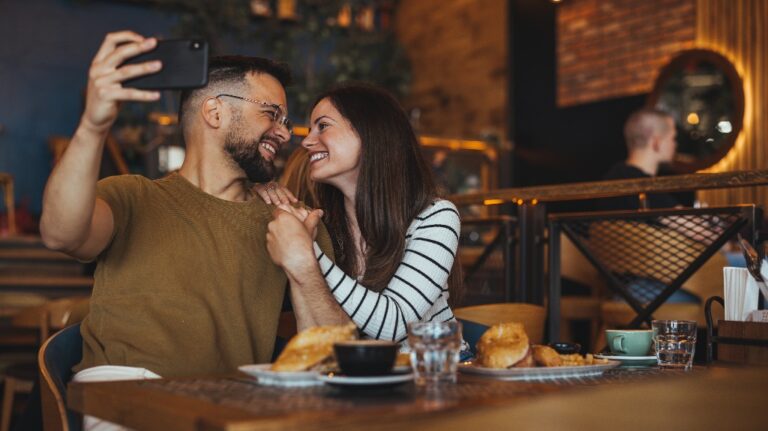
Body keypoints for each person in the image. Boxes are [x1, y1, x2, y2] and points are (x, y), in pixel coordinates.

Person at [39, 31, 338, 389]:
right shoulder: (133, 196)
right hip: (125, 392)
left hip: (227, 404)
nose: (284, 133)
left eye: (285, 121)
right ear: (214, 111)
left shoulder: (293, 222)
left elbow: (328, 359)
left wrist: (302, 260)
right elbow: (59, 234)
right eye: (271, 114)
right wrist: (94, 125)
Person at [262, 83, 465, 346]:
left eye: (323, 126)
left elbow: (395, 324)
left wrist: (307, 253)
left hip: (436, 375)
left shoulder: (436, 217)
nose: (308, 141)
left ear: (369, 133)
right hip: (365, 379)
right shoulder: (323, 222)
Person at [599, 108, 680, 211]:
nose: (675, 145)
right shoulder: (640, 186)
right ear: (656, 143)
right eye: (673, 138)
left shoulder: (614, 176)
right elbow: (693, 225)